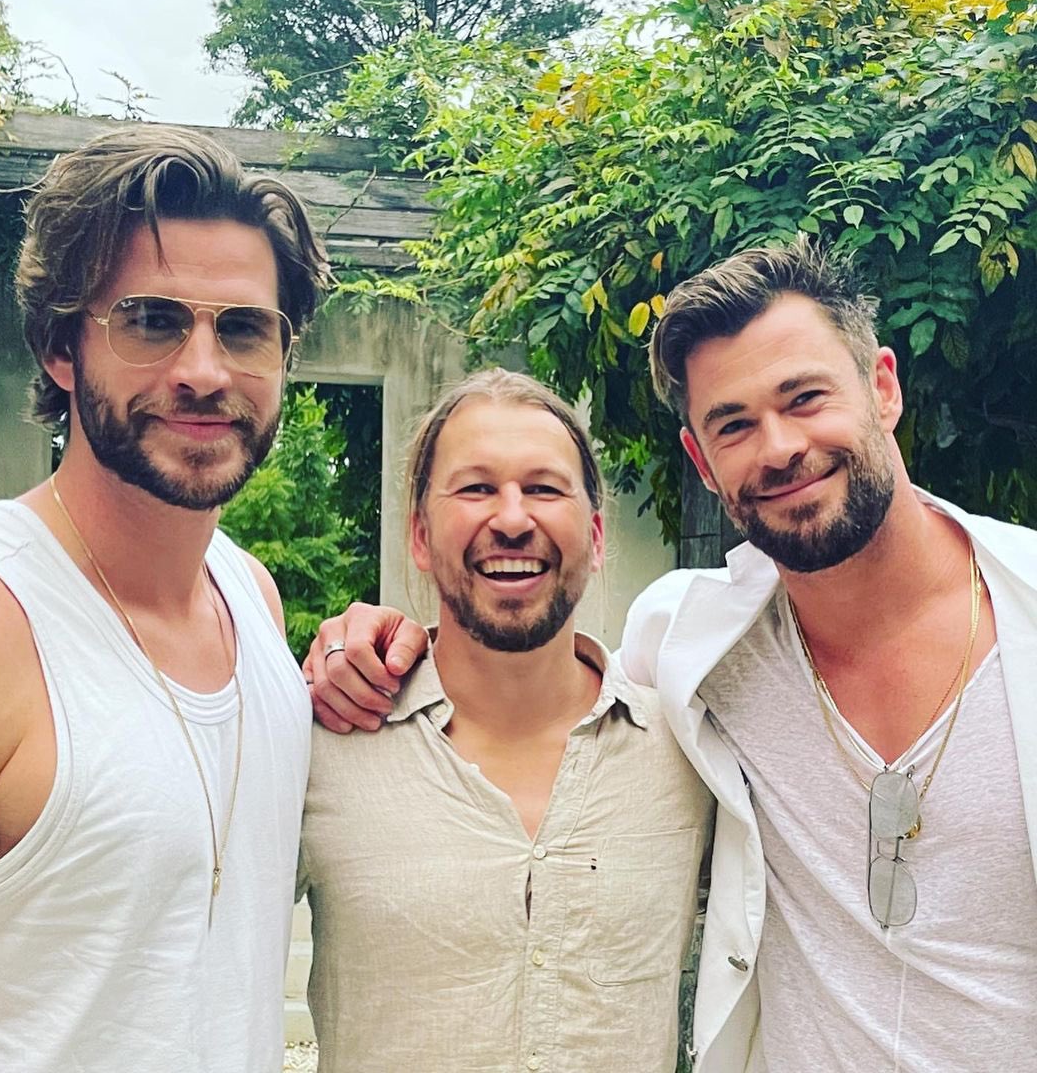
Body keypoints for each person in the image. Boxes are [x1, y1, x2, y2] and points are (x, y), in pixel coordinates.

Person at [306, 238, 1037, 1072]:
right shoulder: (688, 644)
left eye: (804, 398)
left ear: (882, 387)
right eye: (734, 424)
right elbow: (520, 662)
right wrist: (369, 641)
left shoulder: (1022, 615)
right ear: (702, 460)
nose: (779, 447)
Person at [0, 126, 329, 1072]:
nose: (204, 372)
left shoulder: (251, 596)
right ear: (59, 348)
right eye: (153, 321)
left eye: (243, 328)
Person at [297, 368, 712, 1072]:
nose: (514, 519)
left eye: (545, 489)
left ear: (597, 534)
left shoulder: (689, 751)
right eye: (477, 488)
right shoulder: (321, 747)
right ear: (421, 537)